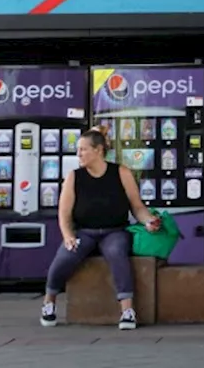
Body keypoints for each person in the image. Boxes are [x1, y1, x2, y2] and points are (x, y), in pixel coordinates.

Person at [40, 128, 163, 330]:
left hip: (115, 230)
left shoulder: (121, 172)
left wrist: (149, 221)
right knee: (66, 255)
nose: (78, 154)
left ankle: (127, 310)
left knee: (117, 253)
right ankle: (49, 302)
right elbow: (64, 213)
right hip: (84, 231)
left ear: (98, 150)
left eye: (83, 149)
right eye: (78, 150)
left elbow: (137, 207)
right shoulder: (74, 177)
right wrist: (68, 235)